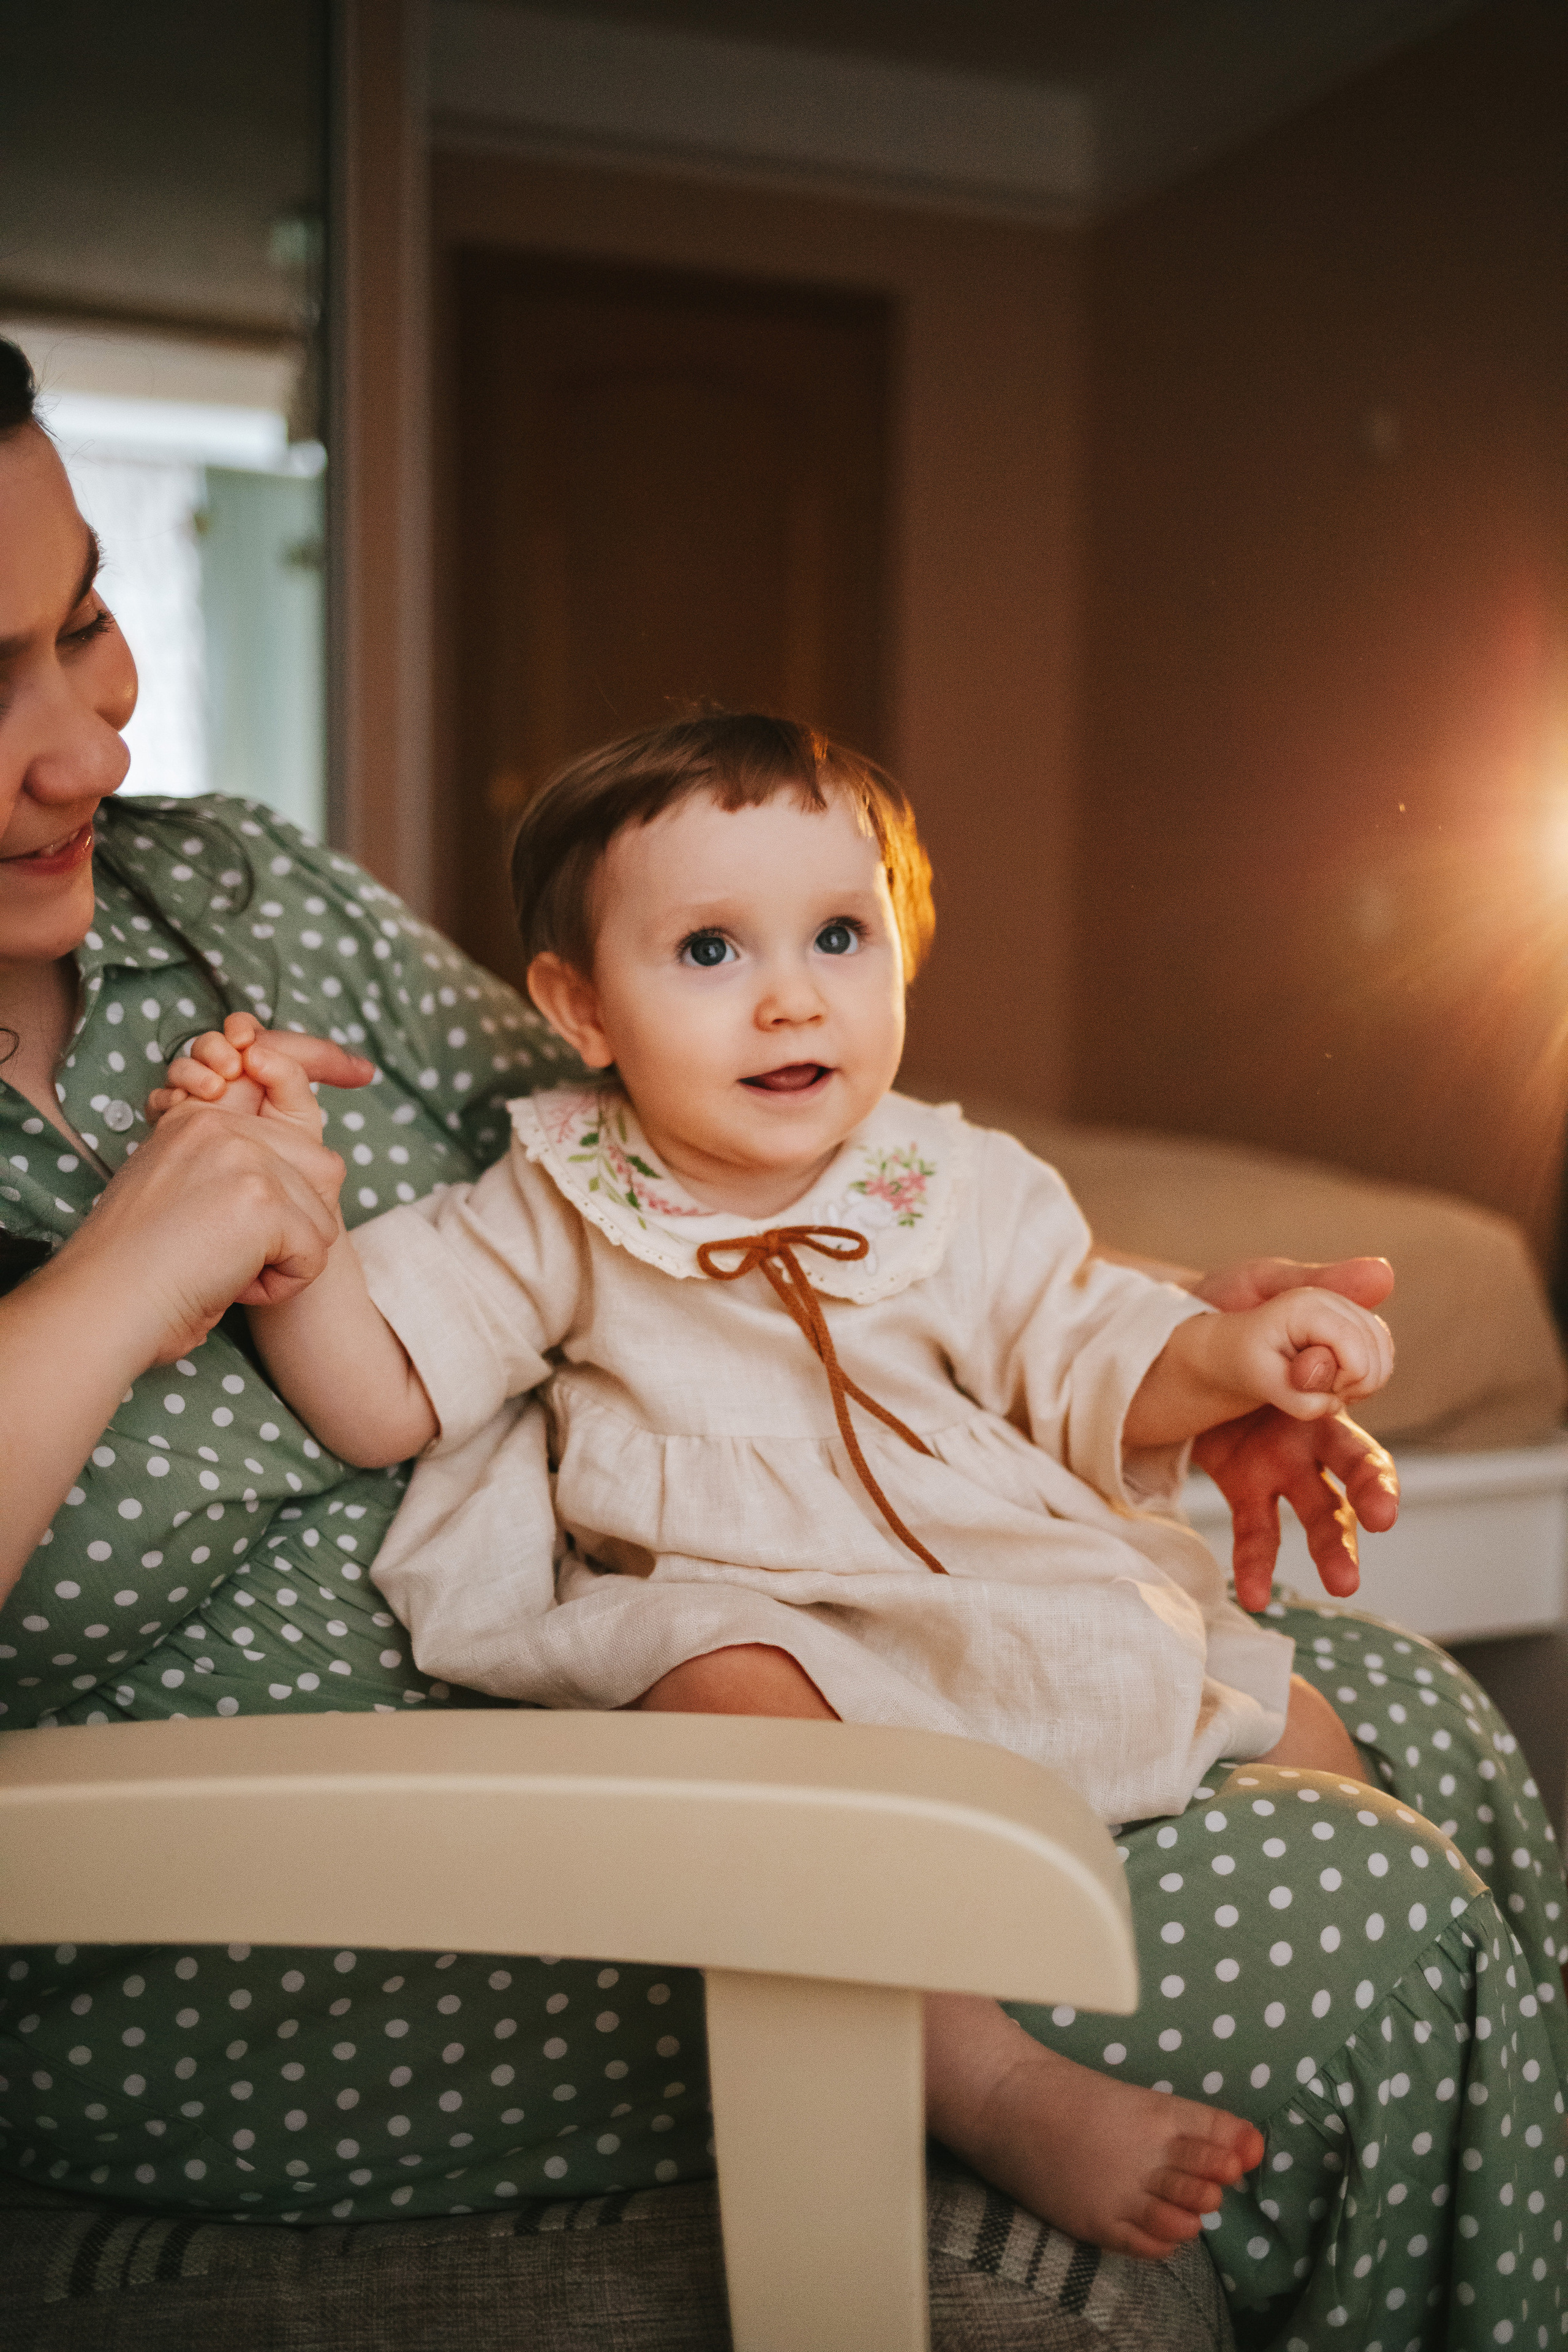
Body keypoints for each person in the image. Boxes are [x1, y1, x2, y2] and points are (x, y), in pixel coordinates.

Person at [0, 336, 1561, 2342]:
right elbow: (427, 1340)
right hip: (380, 1856)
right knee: (1355, 1925)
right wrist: (180, 1262)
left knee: (1405, 1726)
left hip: (908, 1583)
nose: (90, 755)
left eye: (89, 621)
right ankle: (981, 2068)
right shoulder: (558, 1202)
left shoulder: (212, 884)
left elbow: (919, 1236)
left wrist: (1196, 1344)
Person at [156, 714, 1403, 2259]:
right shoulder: (558, 1193)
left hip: (967, 1578)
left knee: (1283, 1710)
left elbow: (1091, 1350)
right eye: (707, 952)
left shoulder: (954, 1180)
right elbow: (376, 1397)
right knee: (718, 1689)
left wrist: (1234, 1358)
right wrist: (291, 1213)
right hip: (743, 1605)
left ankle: (1364, 1990)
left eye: (835, 934)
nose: (791, 996)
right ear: (580, 1005)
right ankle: (984, 2075)